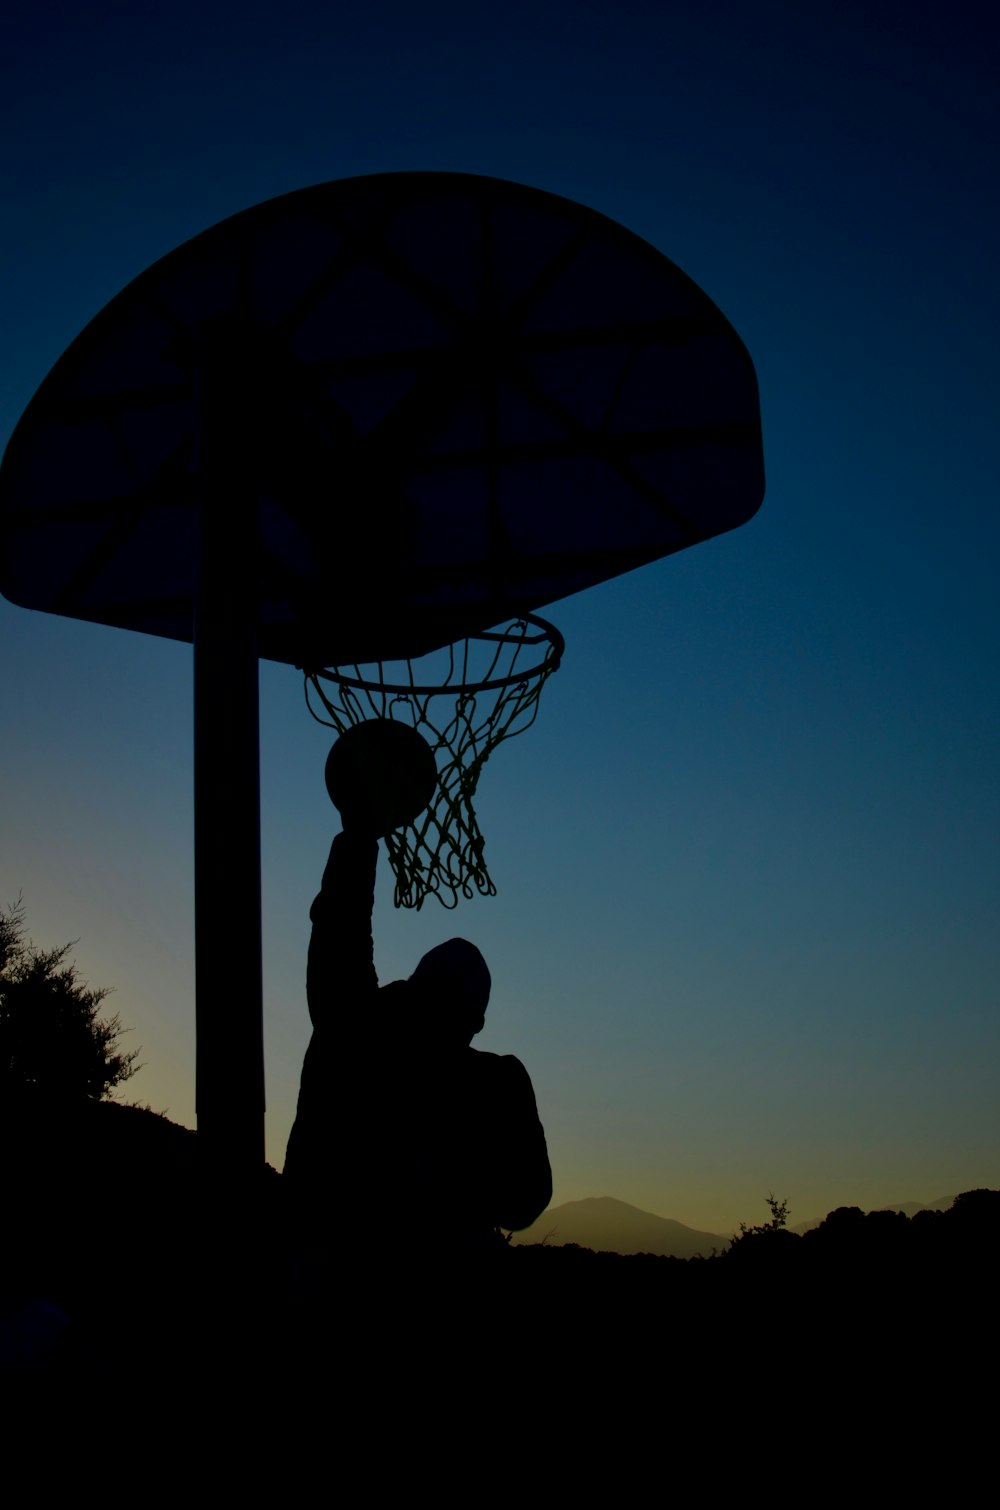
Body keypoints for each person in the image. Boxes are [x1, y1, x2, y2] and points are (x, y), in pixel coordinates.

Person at [283, 819, 552, 1265]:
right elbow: (525, 1199)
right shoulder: (491, 1082)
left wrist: (358, 837)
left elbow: (340, 936)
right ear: (478, 1021)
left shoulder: (350, 1031)